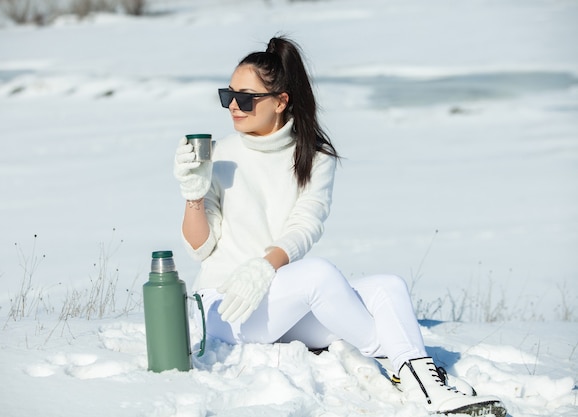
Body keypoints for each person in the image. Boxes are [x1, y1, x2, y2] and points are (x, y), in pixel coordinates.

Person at [173, 36, 506, 417]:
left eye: (245, 98)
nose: (233, 105)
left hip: (279, 303)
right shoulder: (219, 155)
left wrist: (266, 266)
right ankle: (418, 372)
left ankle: (424, 386)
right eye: (227, 95)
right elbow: (199, 248)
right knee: (317, 276)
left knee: (388, 287)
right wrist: (193, 195)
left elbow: (306, 224)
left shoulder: (314, 157)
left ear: (280, 102)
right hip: (223, 309)